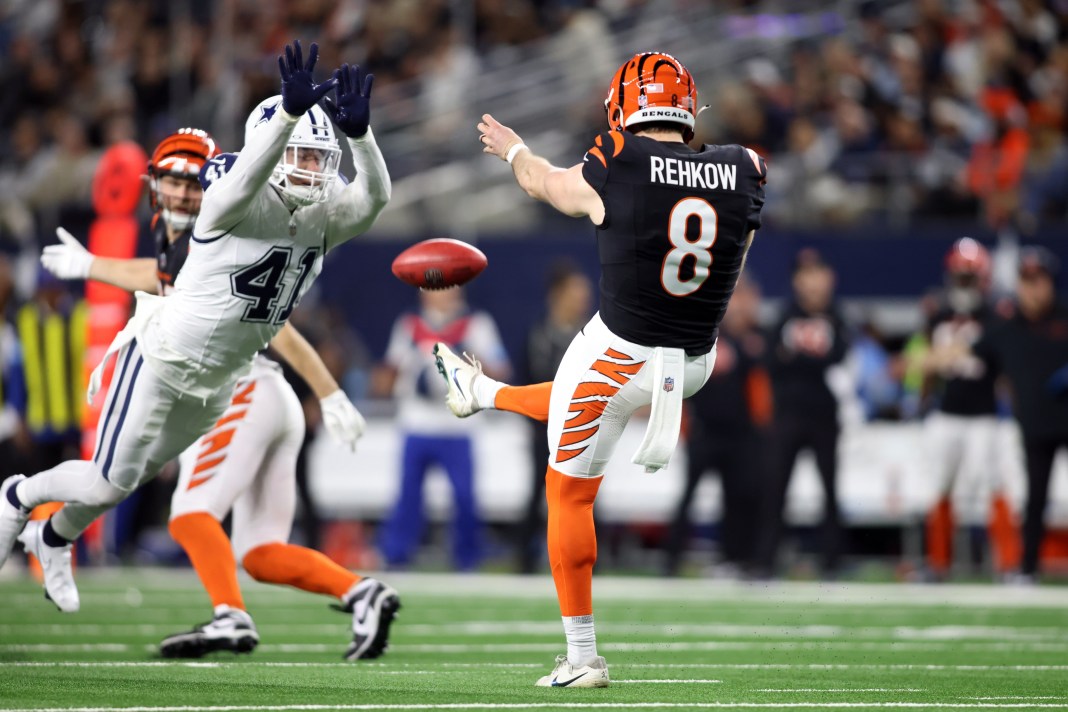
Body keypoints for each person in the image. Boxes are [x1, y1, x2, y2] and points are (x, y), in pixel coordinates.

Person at [0, 40, 396, 656]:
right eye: (298, 156)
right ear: (269, 150)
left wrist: (363, 138)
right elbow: (242, 180)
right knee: (107, 480)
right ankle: (18, 497)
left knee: (116, 486)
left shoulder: (322, 214)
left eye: (321, 160)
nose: (313, 171)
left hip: (221, 382)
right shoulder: (230, 204)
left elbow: (374, 199)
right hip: (159, 362)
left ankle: (52, 538)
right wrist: (287, 118)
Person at [435, 51, 767, 688]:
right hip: (696, 359)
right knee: (574, 396)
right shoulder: (745, 168)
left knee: (568, 490)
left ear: (624, 106)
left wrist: (513, 152)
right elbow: (735, 260)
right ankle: (478, 389)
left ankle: (582, 658)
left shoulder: (620, 158)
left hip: (623, 349)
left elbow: (547, 187)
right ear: (686, 107)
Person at [375, 287, 509, 571]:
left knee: (464, 497)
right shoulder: (409, 325)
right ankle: (397, 558)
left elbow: (501, 370)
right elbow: (387, 375)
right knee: (408, 496)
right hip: (417, 423)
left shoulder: (476, 325)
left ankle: (467, 560)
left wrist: (466, 363)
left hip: (458, 427)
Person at [917, 237, 1019, 580]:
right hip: (948, 412)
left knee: (994, 484)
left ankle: (1008, 565)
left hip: (984, 414)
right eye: (960, 276)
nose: (964, 283)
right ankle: (938, 564)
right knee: (940, 486)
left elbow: (1001, 366)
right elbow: (928, 364)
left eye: (969, 276)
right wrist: (923, 394)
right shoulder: (940, 314)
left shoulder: (994, 316)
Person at [968, 247, 1068, 582]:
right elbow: (969, 356)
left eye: (1038, 281)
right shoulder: (1006, 329)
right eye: (1026, 281)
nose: (1033, 289)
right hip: (1035, 424)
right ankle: (1028, 568)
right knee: (1034, 499)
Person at [662, 274, 770, 578]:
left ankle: (735, 557)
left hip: (740, 434)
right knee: (688, 496)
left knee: (739, 496)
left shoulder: (756, 340)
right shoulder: (704, 332)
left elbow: (762, 387)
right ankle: (671, 559)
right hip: (704, 430)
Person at [754, 248, 850, 579]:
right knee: (775, 488)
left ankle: (833, 560)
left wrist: (795, 357)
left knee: (830, 489)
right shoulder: (783, 316)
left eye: (818, 274)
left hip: (824, 415)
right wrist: (808, 359)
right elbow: (770, 360)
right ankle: (766, 559)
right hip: (788, 416)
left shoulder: (838, 317)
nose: (812, 282)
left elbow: (837, 358)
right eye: (806, 275)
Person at [516, 261, 593, 574]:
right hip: (544, 430)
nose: (582, 299)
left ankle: (586, 560)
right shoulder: (538, 336)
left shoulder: (591, 336)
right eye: (576, 292)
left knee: (584, 496)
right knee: (538, 492)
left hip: (583, 429)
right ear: (558, 294)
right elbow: (526, 382)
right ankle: (526, 559)